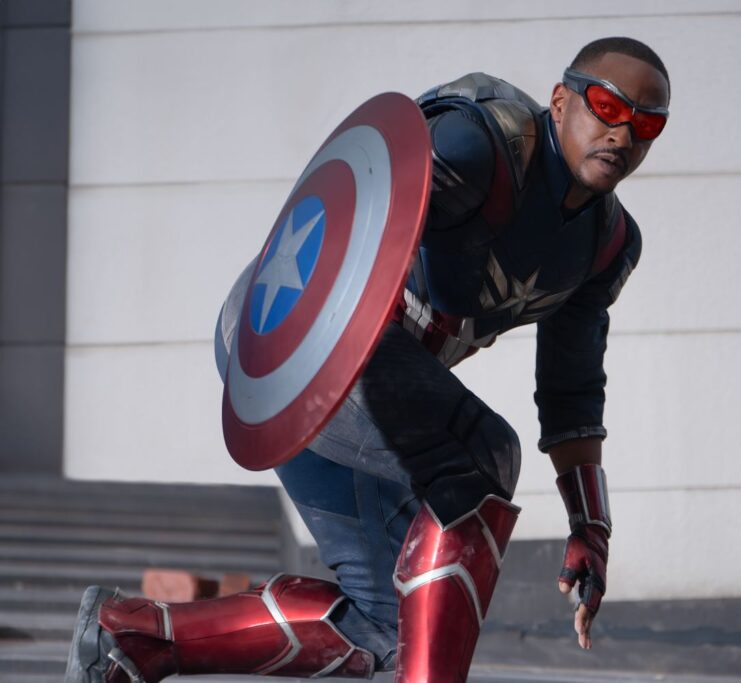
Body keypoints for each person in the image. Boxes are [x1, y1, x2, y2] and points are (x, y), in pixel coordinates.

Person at [65, 35, 670, 683]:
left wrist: (591, 526)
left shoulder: (605, 246)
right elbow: (360, 203)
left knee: (383, 622)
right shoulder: (481, 144)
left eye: (646, 123)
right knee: (481, 457)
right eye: (607, 105)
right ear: (560, 100)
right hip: (304, 335)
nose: (622, 132)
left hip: (344, 379)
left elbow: (572, 393)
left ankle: (129, 638)